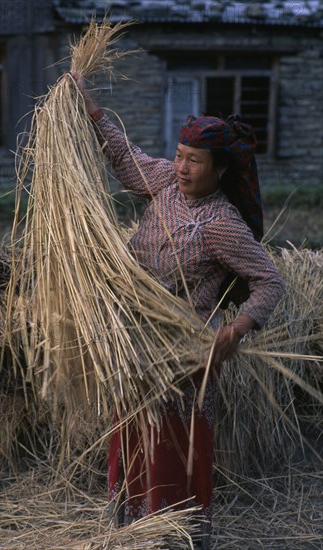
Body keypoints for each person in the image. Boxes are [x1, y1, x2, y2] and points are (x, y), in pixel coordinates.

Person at [71, 73, 285, 549]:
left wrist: (238, 327)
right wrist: (93, 113)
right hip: (141, 337)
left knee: (173, 443)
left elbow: (270, 281)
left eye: (196, 162)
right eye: (181, 156)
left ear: (220, 170)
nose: (183, 168)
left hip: (186, 351)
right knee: (132, 428)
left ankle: (172, 535)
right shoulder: (166, 181)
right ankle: (132, 528)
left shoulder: (220, 224)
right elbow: (128, 158)